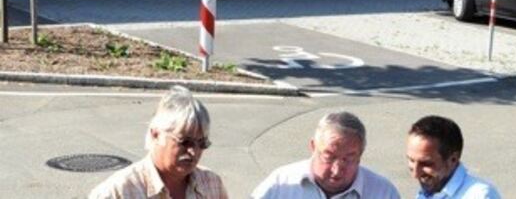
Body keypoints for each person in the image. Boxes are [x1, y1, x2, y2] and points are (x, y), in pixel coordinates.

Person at [89, 85, 228, 199]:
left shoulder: (212, 185)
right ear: (156, 135)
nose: (193, 151)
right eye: (185, 141)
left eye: (202, 143)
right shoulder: (117, 192)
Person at [251, 111, 401, 199]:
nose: (336, 171)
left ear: (360, 155)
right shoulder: (279, 185)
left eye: (348, 159)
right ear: (313, 146)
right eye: (329, 156)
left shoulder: (383, 193)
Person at [406, 115, 501, 199]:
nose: (415, 174)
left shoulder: (479, 195)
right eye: (411, 160)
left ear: (453, 160)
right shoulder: (430, 190)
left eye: (426, 164)